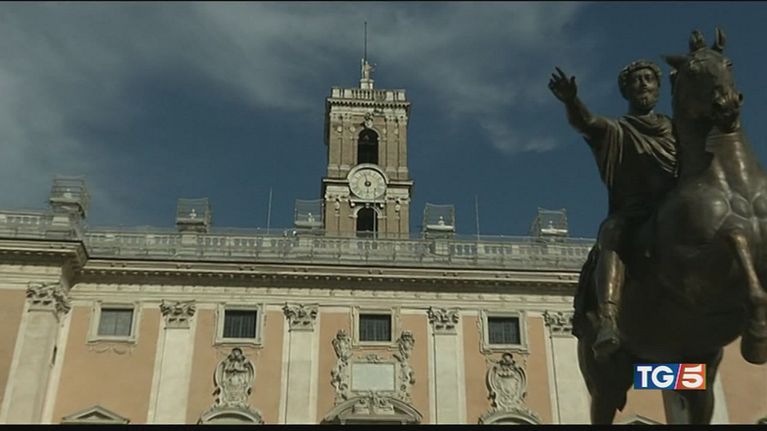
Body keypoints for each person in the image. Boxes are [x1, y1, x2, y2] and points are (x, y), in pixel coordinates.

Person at [548, 60, 678, 361]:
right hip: (635, 213)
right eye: (636, 80)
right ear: (626, 90)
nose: (643, 84)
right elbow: (587, 123)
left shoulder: (678, 130)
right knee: (612, 231)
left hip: (675, 207)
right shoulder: (617, 130)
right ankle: (608, 318)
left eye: (649, 79)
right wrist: (571, 101)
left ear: (658, 88)